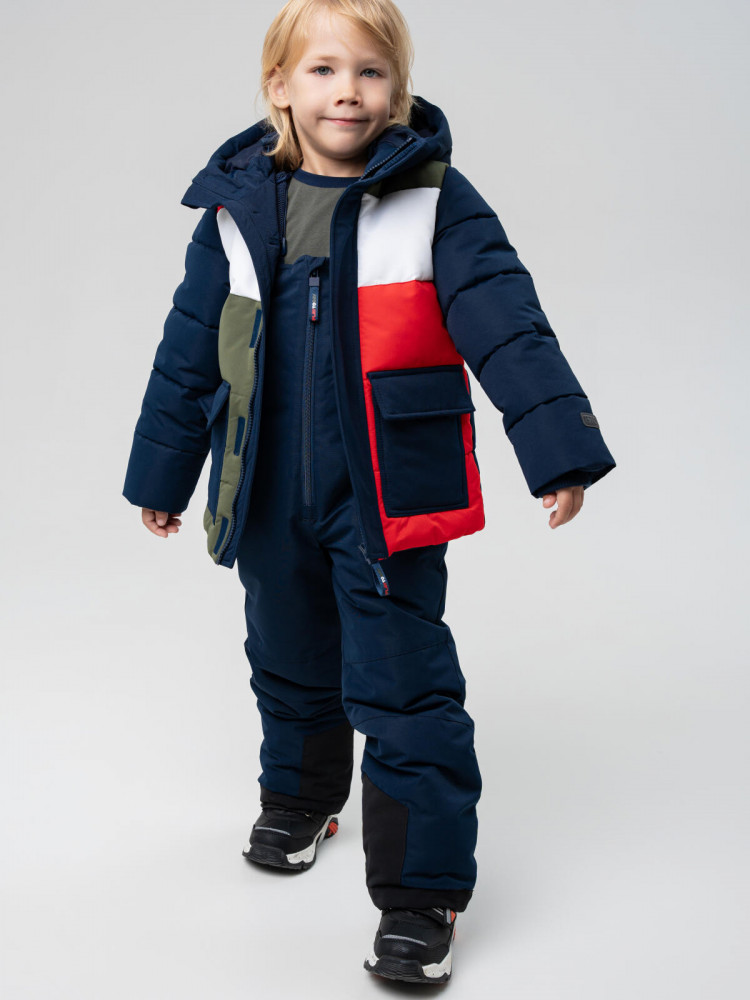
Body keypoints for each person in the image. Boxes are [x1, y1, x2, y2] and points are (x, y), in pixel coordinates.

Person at [122, 0, 616, 985]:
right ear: (279, 87)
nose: (347, 91)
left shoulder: (433, 200)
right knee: (287, 654)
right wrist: (164, 470)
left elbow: (505, 320)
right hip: (266, 483)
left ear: (397, 89)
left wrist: (557, 450)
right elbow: (190, 349)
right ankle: (303, 799)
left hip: (389, 493)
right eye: (323, 70)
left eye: (371, 72)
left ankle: (421, 895)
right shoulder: (235, 209)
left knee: (403, 682)